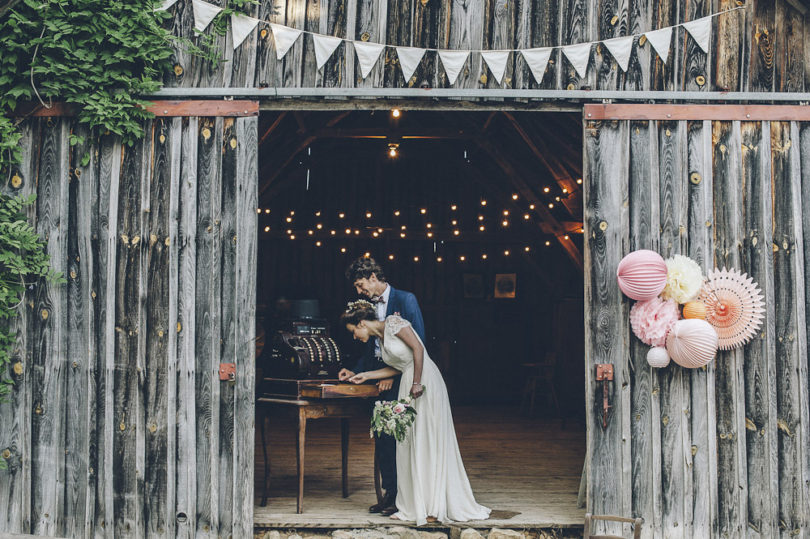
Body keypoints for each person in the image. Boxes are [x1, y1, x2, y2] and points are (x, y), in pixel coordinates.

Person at [341, 300, 491, 525]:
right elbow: (399, 366)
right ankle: (420, 502)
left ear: (361, 323)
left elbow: (419, 349)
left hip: (423, 382)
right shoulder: (380, 339)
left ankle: (435, 503)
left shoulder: (394, 323)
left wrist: (418, 381)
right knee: (411, 442)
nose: (354, 337)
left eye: (353, 332)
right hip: (408, 383)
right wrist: (367, 376)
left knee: (427, 438)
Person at [338, 256, 425, 516]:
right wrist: (358, 371)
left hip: (403, 382)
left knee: (402, 439)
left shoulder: (405, 300)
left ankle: (406, 496)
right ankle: (390, 493)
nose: (359, 291)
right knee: (383, 439)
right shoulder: (368, 307)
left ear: (374, 277)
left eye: (361, 284)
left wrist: (394, 373)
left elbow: (417, 344)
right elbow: (371, 345)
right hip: (379, 379)